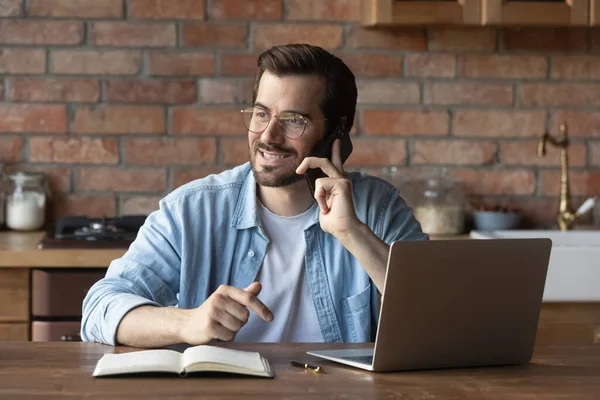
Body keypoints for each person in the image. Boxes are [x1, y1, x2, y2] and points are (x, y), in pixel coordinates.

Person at [81, 43, 428, 348]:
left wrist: (352, 233)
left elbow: (439, 318)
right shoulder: (191, 211)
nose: (268, 136)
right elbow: (99, 309)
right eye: (261, 114)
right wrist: (186, 322)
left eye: (293, 120)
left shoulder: (378, 209)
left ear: (336, 132)